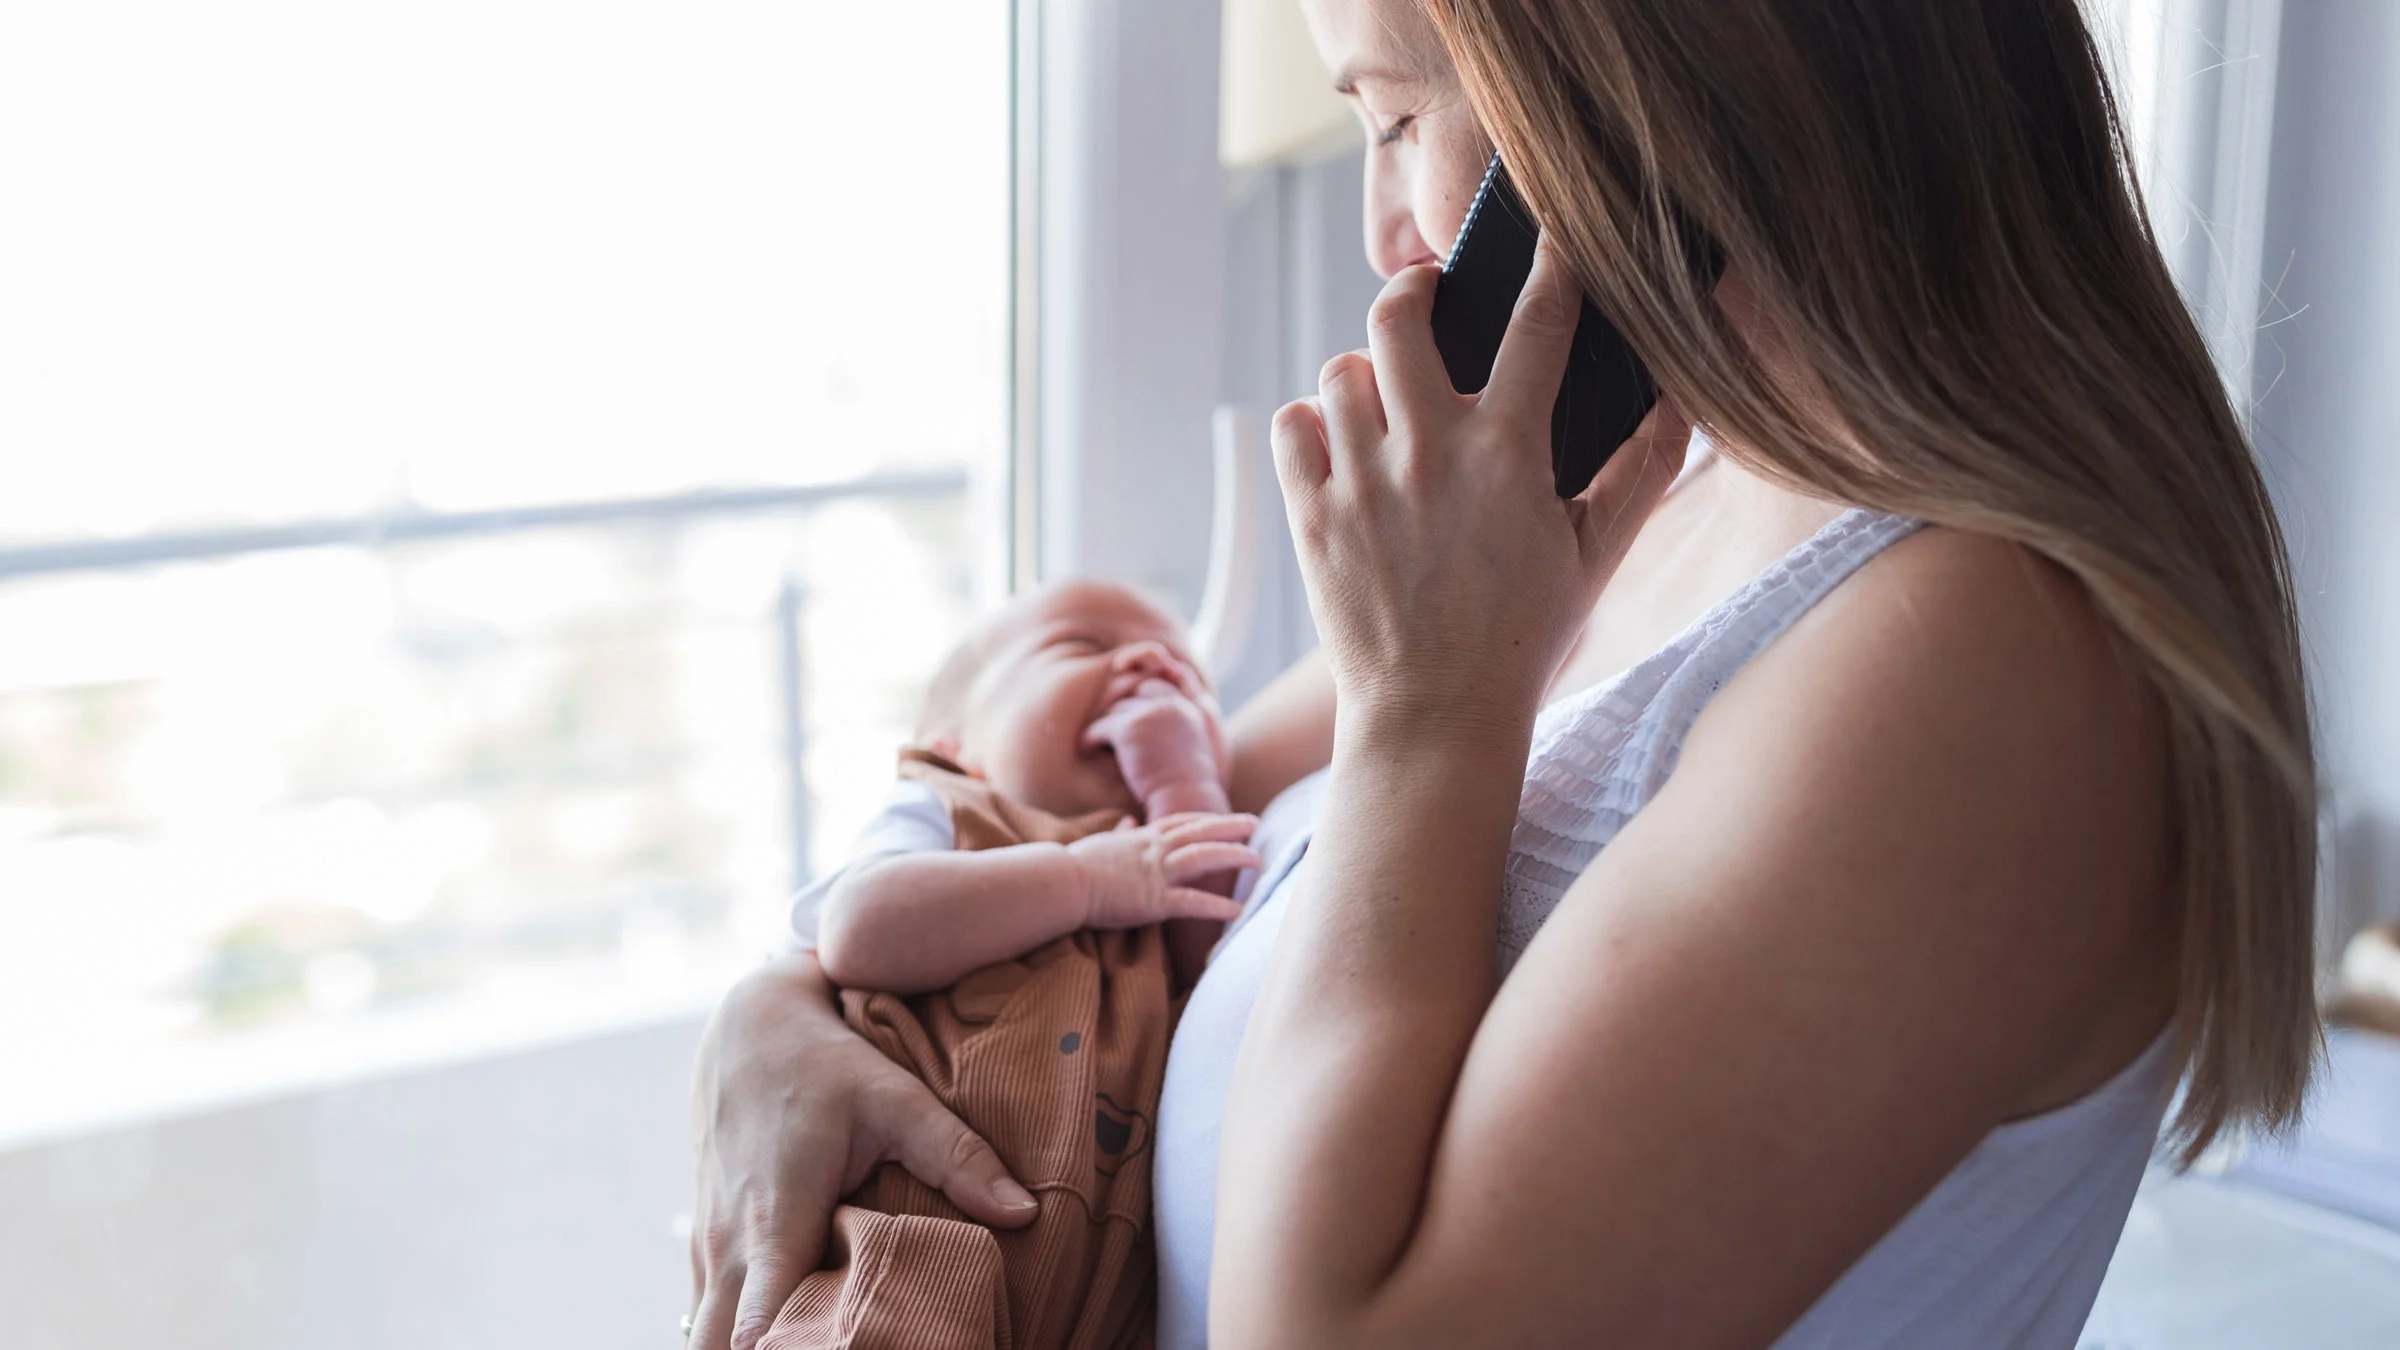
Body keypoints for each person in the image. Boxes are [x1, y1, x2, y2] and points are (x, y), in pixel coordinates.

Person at [686, 0, 2318, 1346]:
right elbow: (1083, 844)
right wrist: (773, 1015)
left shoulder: (1983, 668)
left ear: (1648, 88)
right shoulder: (1636, 511)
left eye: (1395, 117)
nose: (1392, 241)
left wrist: (1426, 724)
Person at [757, 580, 1256, 1348]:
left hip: (1103, 1297)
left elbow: (1209, 949)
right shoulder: (949, 811)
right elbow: (859, 926)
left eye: (1190, 681)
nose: (1155, 663)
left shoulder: (1152, 875)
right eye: (1083, 646)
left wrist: (1183, 791)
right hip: (907, 1253)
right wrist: (1084, 879)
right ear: (957, 746)